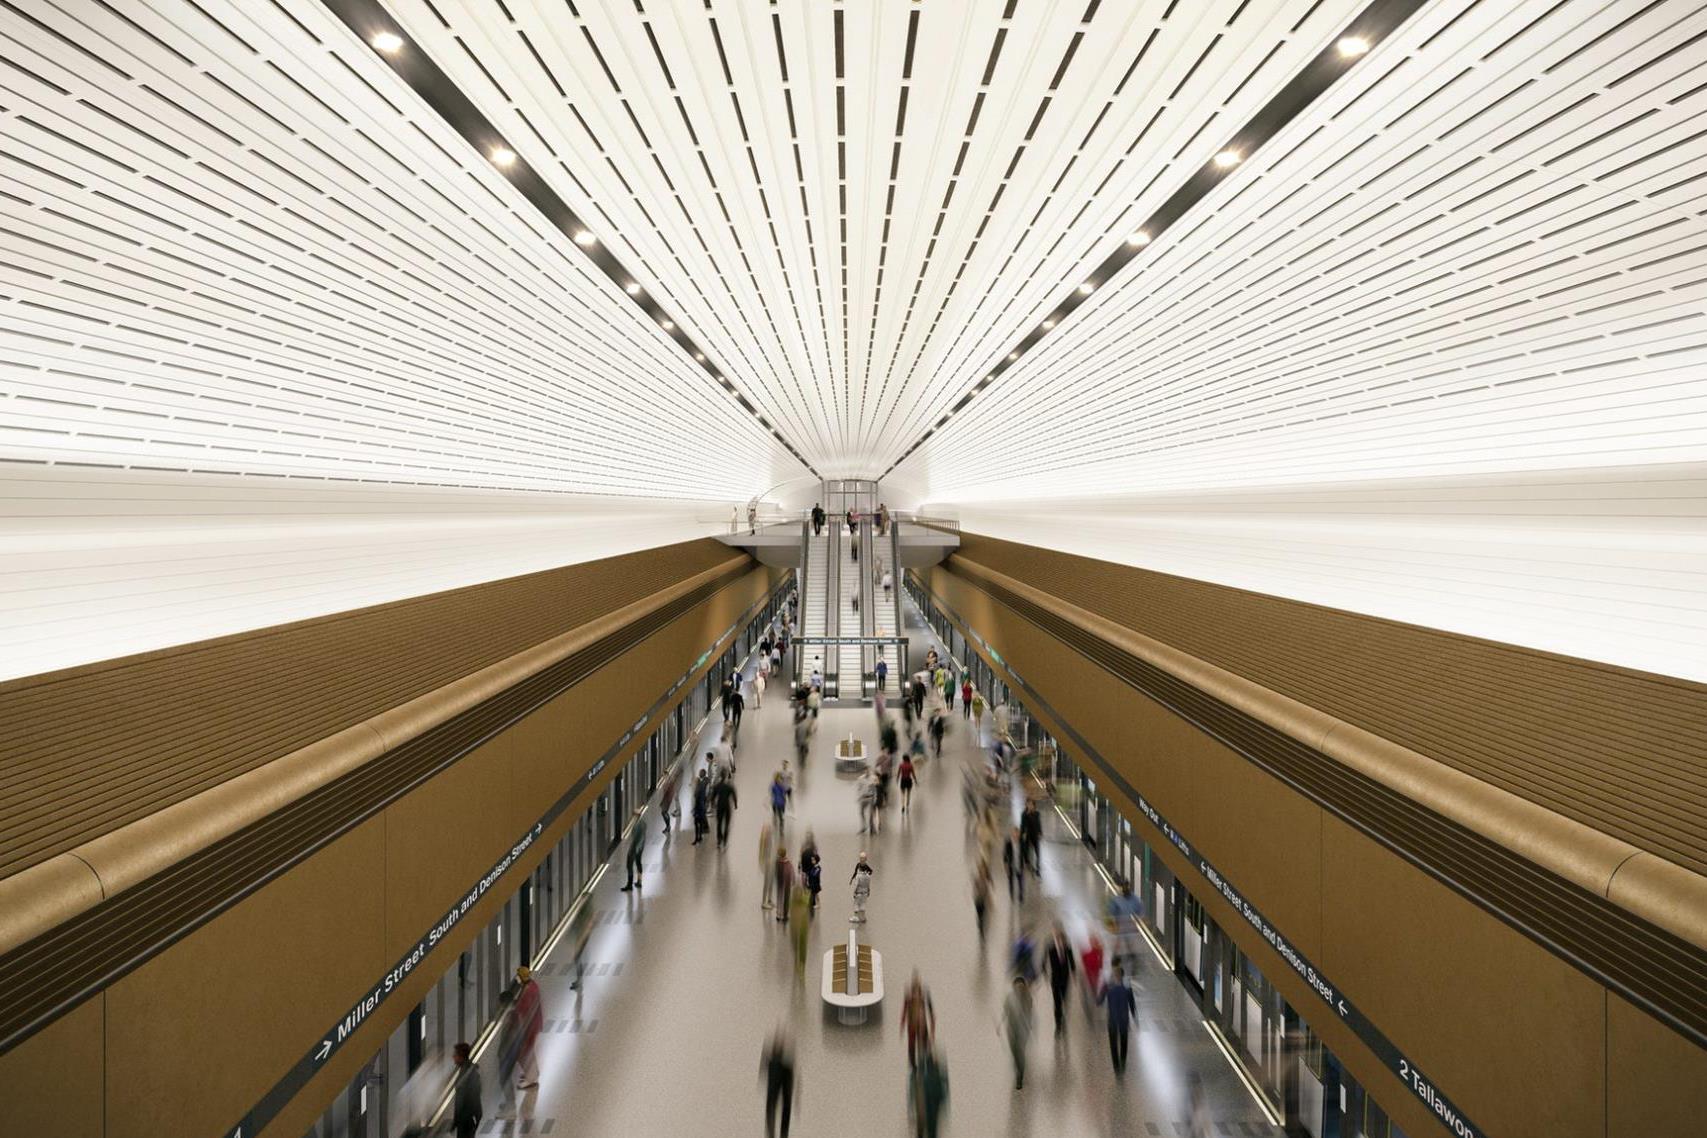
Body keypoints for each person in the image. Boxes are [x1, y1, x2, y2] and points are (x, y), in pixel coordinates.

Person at [1098, 962, 1139, 1074]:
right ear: (1122, 976)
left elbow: (1099, 1001)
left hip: (1112, 1021)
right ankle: (1122, 1063)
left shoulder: (1108, 987)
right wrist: (1135, 1019)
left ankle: (1116, 1068)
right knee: (1124, 1043)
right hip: (1123, 1021)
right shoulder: (1127, 988)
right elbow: (1132, 1004)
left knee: (1113, 1045)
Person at [509, 965, 543, 1088]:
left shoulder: (528, 991)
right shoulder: (532, 985)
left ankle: (531, 1079)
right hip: (534, 1024)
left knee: (524, 1052)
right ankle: (533, 1073)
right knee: (528, 1051)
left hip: (529, 1027)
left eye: (518, 975)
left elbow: (523, 1009)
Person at [761, 1029, 798, 1138]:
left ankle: (775, 1133)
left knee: (775, 1102)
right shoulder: (787, 1042)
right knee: (782, 1103)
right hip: (781, 1064)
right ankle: (778, 1133)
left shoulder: (787, 1043)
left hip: (781, 1064)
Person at [1000, 976, 1033, 1090]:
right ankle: (1017, 1066)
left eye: (1021, 986)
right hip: (1012, 1030)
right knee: (1014, 1052)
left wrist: (1029, 1027)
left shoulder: (1028, 998)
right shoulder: (1010, 997)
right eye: (1017, 986)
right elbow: (1005, 1011)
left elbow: (1029, 1014)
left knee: (1020, 1052)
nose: (1019, 988)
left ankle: (1020, 1077)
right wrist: (1000, 1024)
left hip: (1023, 1030)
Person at [909, 1045, 949, 1138]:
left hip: (927, 1107)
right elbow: (943, 1093)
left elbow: (914, 1094)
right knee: (932, 1129)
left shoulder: (924, 1077)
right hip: (930, 1107)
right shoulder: (934, 1076)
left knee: (929, 1128)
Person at [1044, 924, 1076, 1036]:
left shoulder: (1067, 947)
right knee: (1057, 1004)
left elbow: (1072, 962)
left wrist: (1073, 973)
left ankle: (1063, 1017)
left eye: (1059, 936)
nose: (1058, 938)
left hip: (1065, 979)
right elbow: (1044, 961)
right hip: (1055, 980)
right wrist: (1045, 974)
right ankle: (1058, 1025)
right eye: (1056, 936)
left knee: (1064, 1000)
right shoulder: (1050, 947)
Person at [900, 972, 936, 1065]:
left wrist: (932, 1030)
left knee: (926, 1049)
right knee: (912, 1051)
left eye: (917, 989)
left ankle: (927, 1065)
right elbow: (904, 1012)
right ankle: (914, 1068)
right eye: (914, 989)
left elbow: (931, 1013)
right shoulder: (908, 997)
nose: (915, 994)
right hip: (912, 1027)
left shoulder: (924, 996)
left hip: (922, 1026)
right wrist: (902, 1027)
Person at [451, 1042, 483, 1138]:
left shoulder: (466, 1074)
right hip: (467, 1117)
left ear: (461, 1057)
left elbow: (469, 1097)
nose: (453, 1057)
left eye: (455, 1055)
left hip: (466, 1118)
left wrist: (456, 1120)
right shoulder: (467, 1070)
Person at [620, 805, 646, 891]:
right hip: (639, 847)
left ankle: (629, 884)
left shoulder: (640, 824)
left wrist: (636, 849)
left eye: (634, 814)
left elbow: (641, 837)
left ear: (637, 815)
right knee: (638, 863)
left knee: (629, 865)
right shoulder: (641, 823)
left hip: (636, 848)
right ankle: (639, 881)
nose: (633, 816)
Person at [713, 770, 739, 848]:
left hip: (719, 806)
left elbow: (712, 797)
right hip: (727, 806)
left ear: (720, 776)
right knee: (727, 824)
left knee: (719, 823)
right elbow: (734, 795)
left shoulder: (717, 786)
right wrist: (735, 804)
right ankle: (725, 841)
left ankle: (719, 840)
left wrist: (712, 804)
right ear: (726, 776)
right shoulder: (729, 786)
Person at [798, 831, 822, 911]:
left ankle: (815, 902)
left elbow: (815, 858)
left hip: (810, 871)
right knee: (805, 886)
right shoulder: (804, 846)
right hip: (805, 870)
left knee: (813, 889)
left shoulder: (813, 847)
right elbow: (801, 856)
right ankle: (806, 901)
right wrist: (800, 866)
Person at [1020, 801, 1043, 877]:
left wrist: (1040, 832)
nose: (1030, 806)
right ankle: (1027, 863)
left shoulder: (1037, 814)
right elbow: (1023, 825)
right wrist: (1022, 834)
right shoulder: (1024, 814)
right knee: (1025, 850)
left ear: (1034, 806)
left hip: (1035, 834)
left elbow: (1038, 823)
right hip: (1027, 835)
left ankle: (1037, 868)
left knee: (1037, 852)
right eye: (1028, 805)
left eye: (1031, 805)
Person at [849, 851, 873, 922]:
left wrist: (854, 892)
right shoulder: (868, 877)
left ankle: (856, 918)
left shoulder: (858, 876)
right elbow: (868, 884)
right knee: (863, 904)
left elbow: (856, 885)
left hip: (859, 892)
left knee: (856, 904)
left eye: (863, 858)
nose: (861, 859)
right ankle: (863, 918)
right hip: (865, 892)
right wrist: (868, 891)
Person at [774, 846, 795, 923]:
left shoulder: (777, 862)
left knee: (779, 898)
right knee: (786, 899)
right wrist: (793, 880)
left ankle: (778, 915)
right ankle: (784, 915)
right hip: (787, 883)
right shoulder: (788, 863)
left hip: (780, 883)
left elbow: (775, 872)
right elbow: (792, 872)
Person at [1003, 828, 1023, 902]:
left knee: (1020, 880)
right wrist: (1005, 865)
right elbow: (1005, 854)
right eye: (1015, 833)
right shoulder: (1008, 842)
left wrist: (1026, 863)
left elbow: (1024, 853)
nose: (1016, 835)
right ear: (1012, 834)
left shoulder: (1021, 842)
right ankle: (1011, 895)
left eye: (1018, 834)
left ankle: (1021, 895)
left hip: (1019, 864)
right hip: (1011, 864)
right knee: (1011, 881)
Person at [691, 768, 710, 845]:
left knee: (696, 823)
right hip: (701, 807)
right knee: (700, 822)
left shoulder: (699, 790)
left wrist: (695, 809)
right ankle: (699, 837)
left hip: (699, 808)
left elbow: (697, 798)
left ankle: (697, 838)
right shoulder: (703, 784)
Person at [759, 821, 776, 909]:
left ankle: (769, 899)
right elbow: (763, 854)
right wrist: (764, 863)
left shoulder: (771, 838)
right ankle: (763, 902)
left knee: (771, 882)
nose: (770, 830)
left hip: (772, 862)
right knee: (767, 882)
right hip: (768, 863)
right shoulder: (765, 841)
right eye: (768, 829)